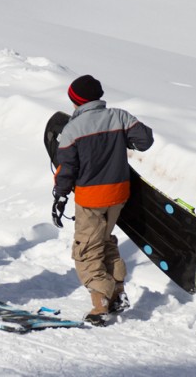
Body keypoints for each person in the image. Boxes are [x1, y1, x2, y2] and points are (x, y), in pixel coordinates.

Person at [52, 75, 153, 326]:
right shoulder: (119, 116)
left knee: (86, 250)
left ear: (75, 100)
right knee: (105, 241)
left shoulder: (73, 129)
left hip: (91, 198)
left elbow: (65, 168)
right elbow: (145, 140)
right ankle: (118, 293)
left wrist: (61, 195)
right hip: (118, 195)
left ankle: (100, 305)